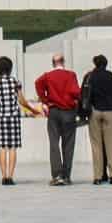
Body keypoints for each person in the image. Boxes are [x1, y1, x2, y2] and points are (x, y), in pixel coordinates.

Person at [0, 56, 38, 185]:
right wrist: (33, 110)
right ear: (10, 68)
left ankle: (4, 177)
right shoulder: (15, 82)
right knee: (13, 148)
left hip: (1, 118)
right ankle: (10, 176)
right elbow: (21, 100)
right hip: (14, 118)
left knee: (2, 148)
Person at [36, 53, 81, 186]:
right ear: (63, 62)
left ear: (53, 63)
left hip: (54, 111)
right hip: (68, 112)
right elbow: (76, 92)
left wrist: (45, 100)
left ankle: (57, 175)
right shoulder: (71, 75)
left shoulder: (47, 76)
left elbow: (37, 84)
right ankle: (66, 176)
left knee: (54, 143)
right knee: (68, 144)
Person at [82, 54, 112, 185]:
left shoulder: (90, 76)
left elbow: (84, 94)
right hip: (110, 112)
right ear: (106, 63)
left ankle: (98, 177)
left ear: (95, 63)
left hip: (95, 111)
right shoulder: (111, 76)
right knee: (110, 144)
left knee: (96, 146)